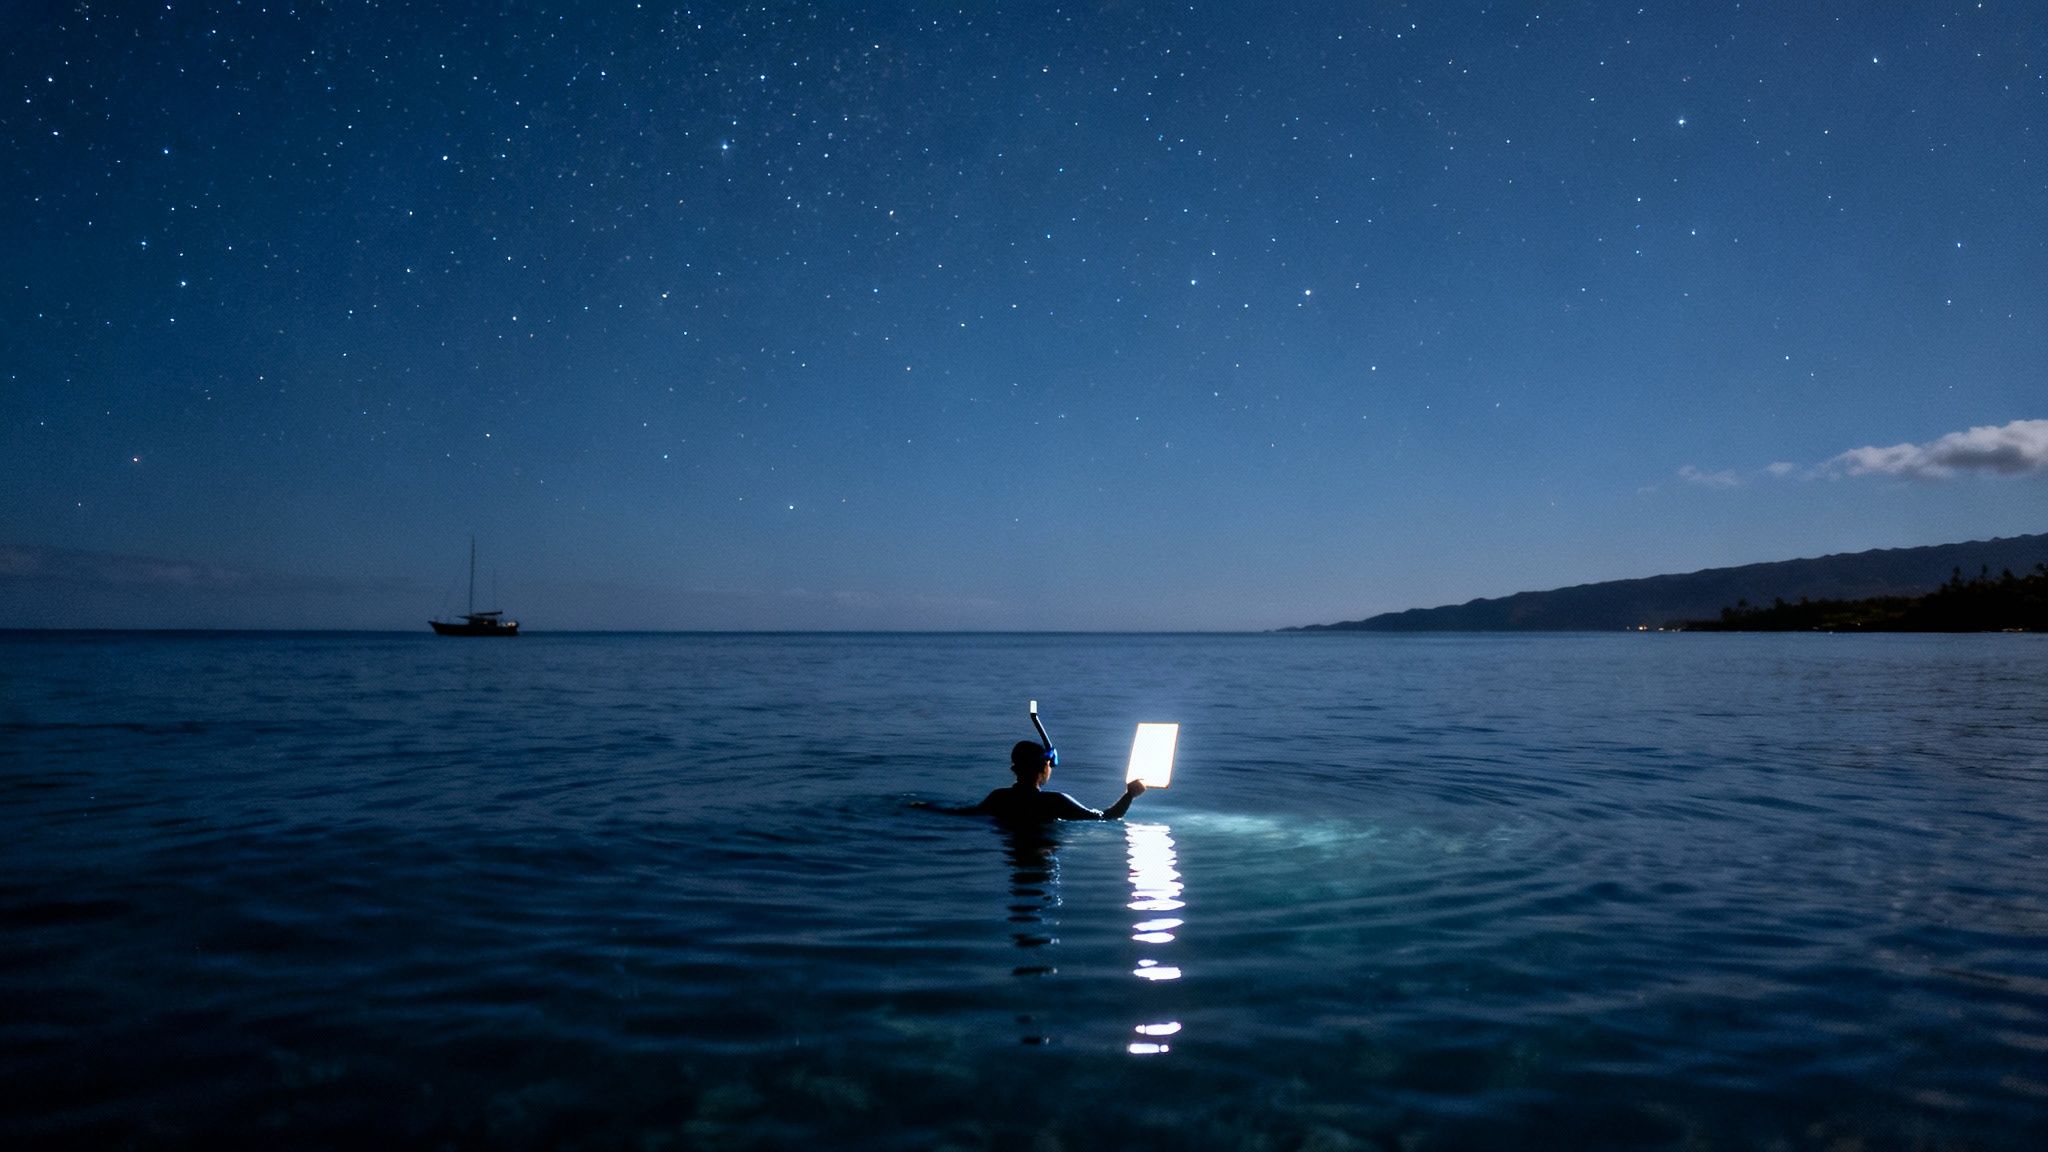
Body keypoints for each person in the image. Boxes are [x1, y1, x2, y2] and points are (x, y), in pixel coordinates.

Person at [975, 740, 1145, 822]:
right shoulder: (1054, 802)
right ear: (1043, 768)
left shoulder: (998, 798)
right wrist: (1130, 795)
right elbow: (1105, 817)